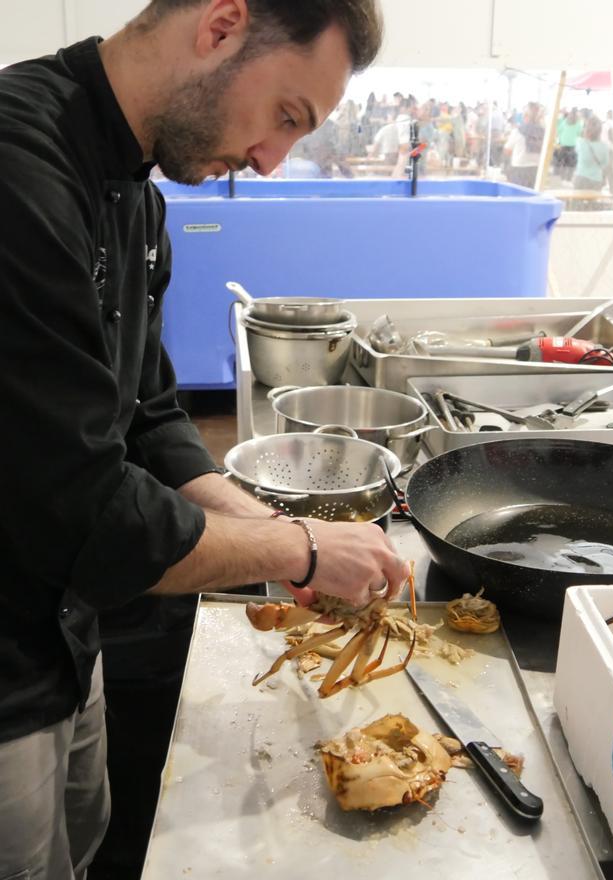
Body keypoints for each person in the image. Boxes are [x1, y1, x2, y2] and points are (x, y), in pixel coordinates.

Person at [0, 3, 410, 880]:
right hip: (5, 674)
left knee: (88, 845)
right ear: (223, 23)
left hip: (70, 638)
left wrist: (257, 523)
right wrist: (297, 548)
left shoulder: (137, 198)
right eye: (286, 118)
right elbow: (87, 514)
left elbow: (147, 412)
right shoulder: (18, 172)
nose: (271, 160)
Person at [503, 101, 544, 189]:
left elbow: (507, 150)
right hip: (537, 170)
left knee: (517, 197)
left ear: (525, 116)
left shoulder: (518, 131)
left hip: (519, 170)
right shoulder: (544, 132)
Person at [573, 115, 610, 192]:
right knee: (593, 203)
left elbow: (577, 152)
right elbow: (605, 164)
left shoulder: (580, 142)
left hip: (581, 177)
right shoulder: (604, 147)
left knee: (577, 202)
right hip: (596, 179)